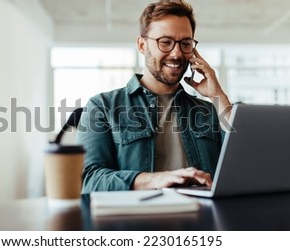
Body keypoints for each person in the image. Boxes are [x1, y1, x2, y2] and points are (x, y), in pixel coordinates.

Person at [77, 0, 232, 193]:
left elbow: (244, 165)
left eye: (185, 43)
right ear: (142, 45)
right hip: (139, 220)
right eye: (165, 42)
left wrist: (218, 96)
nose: (177, 54)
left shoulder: (209, 110)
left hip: (202, 218)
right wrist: (156, 179)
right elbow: (87, 180)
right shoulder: (102, 106)